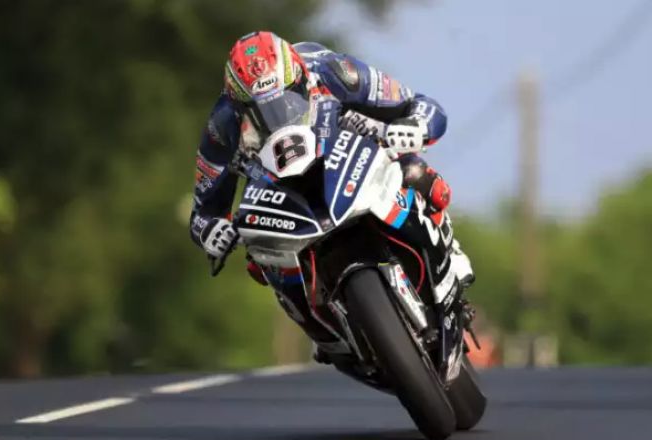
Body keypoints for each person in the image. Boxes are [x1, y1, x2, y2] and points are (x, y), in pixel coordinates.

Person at [189, 31, 474, 290]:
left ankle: (448, 247)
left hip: (345, 151)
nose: (279, 114)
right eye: (260, 110)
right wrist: (211, 231)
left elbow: (421, 105)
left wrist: (416, 126)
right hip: (280, 192)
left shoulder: (334, 70)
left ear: (301, 75)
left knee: (414, 171)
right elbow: (203, 211)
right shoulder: (223, 124)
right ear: (238, 104)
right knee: (261, 265)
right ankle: (318, 322)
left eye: (288, 98)